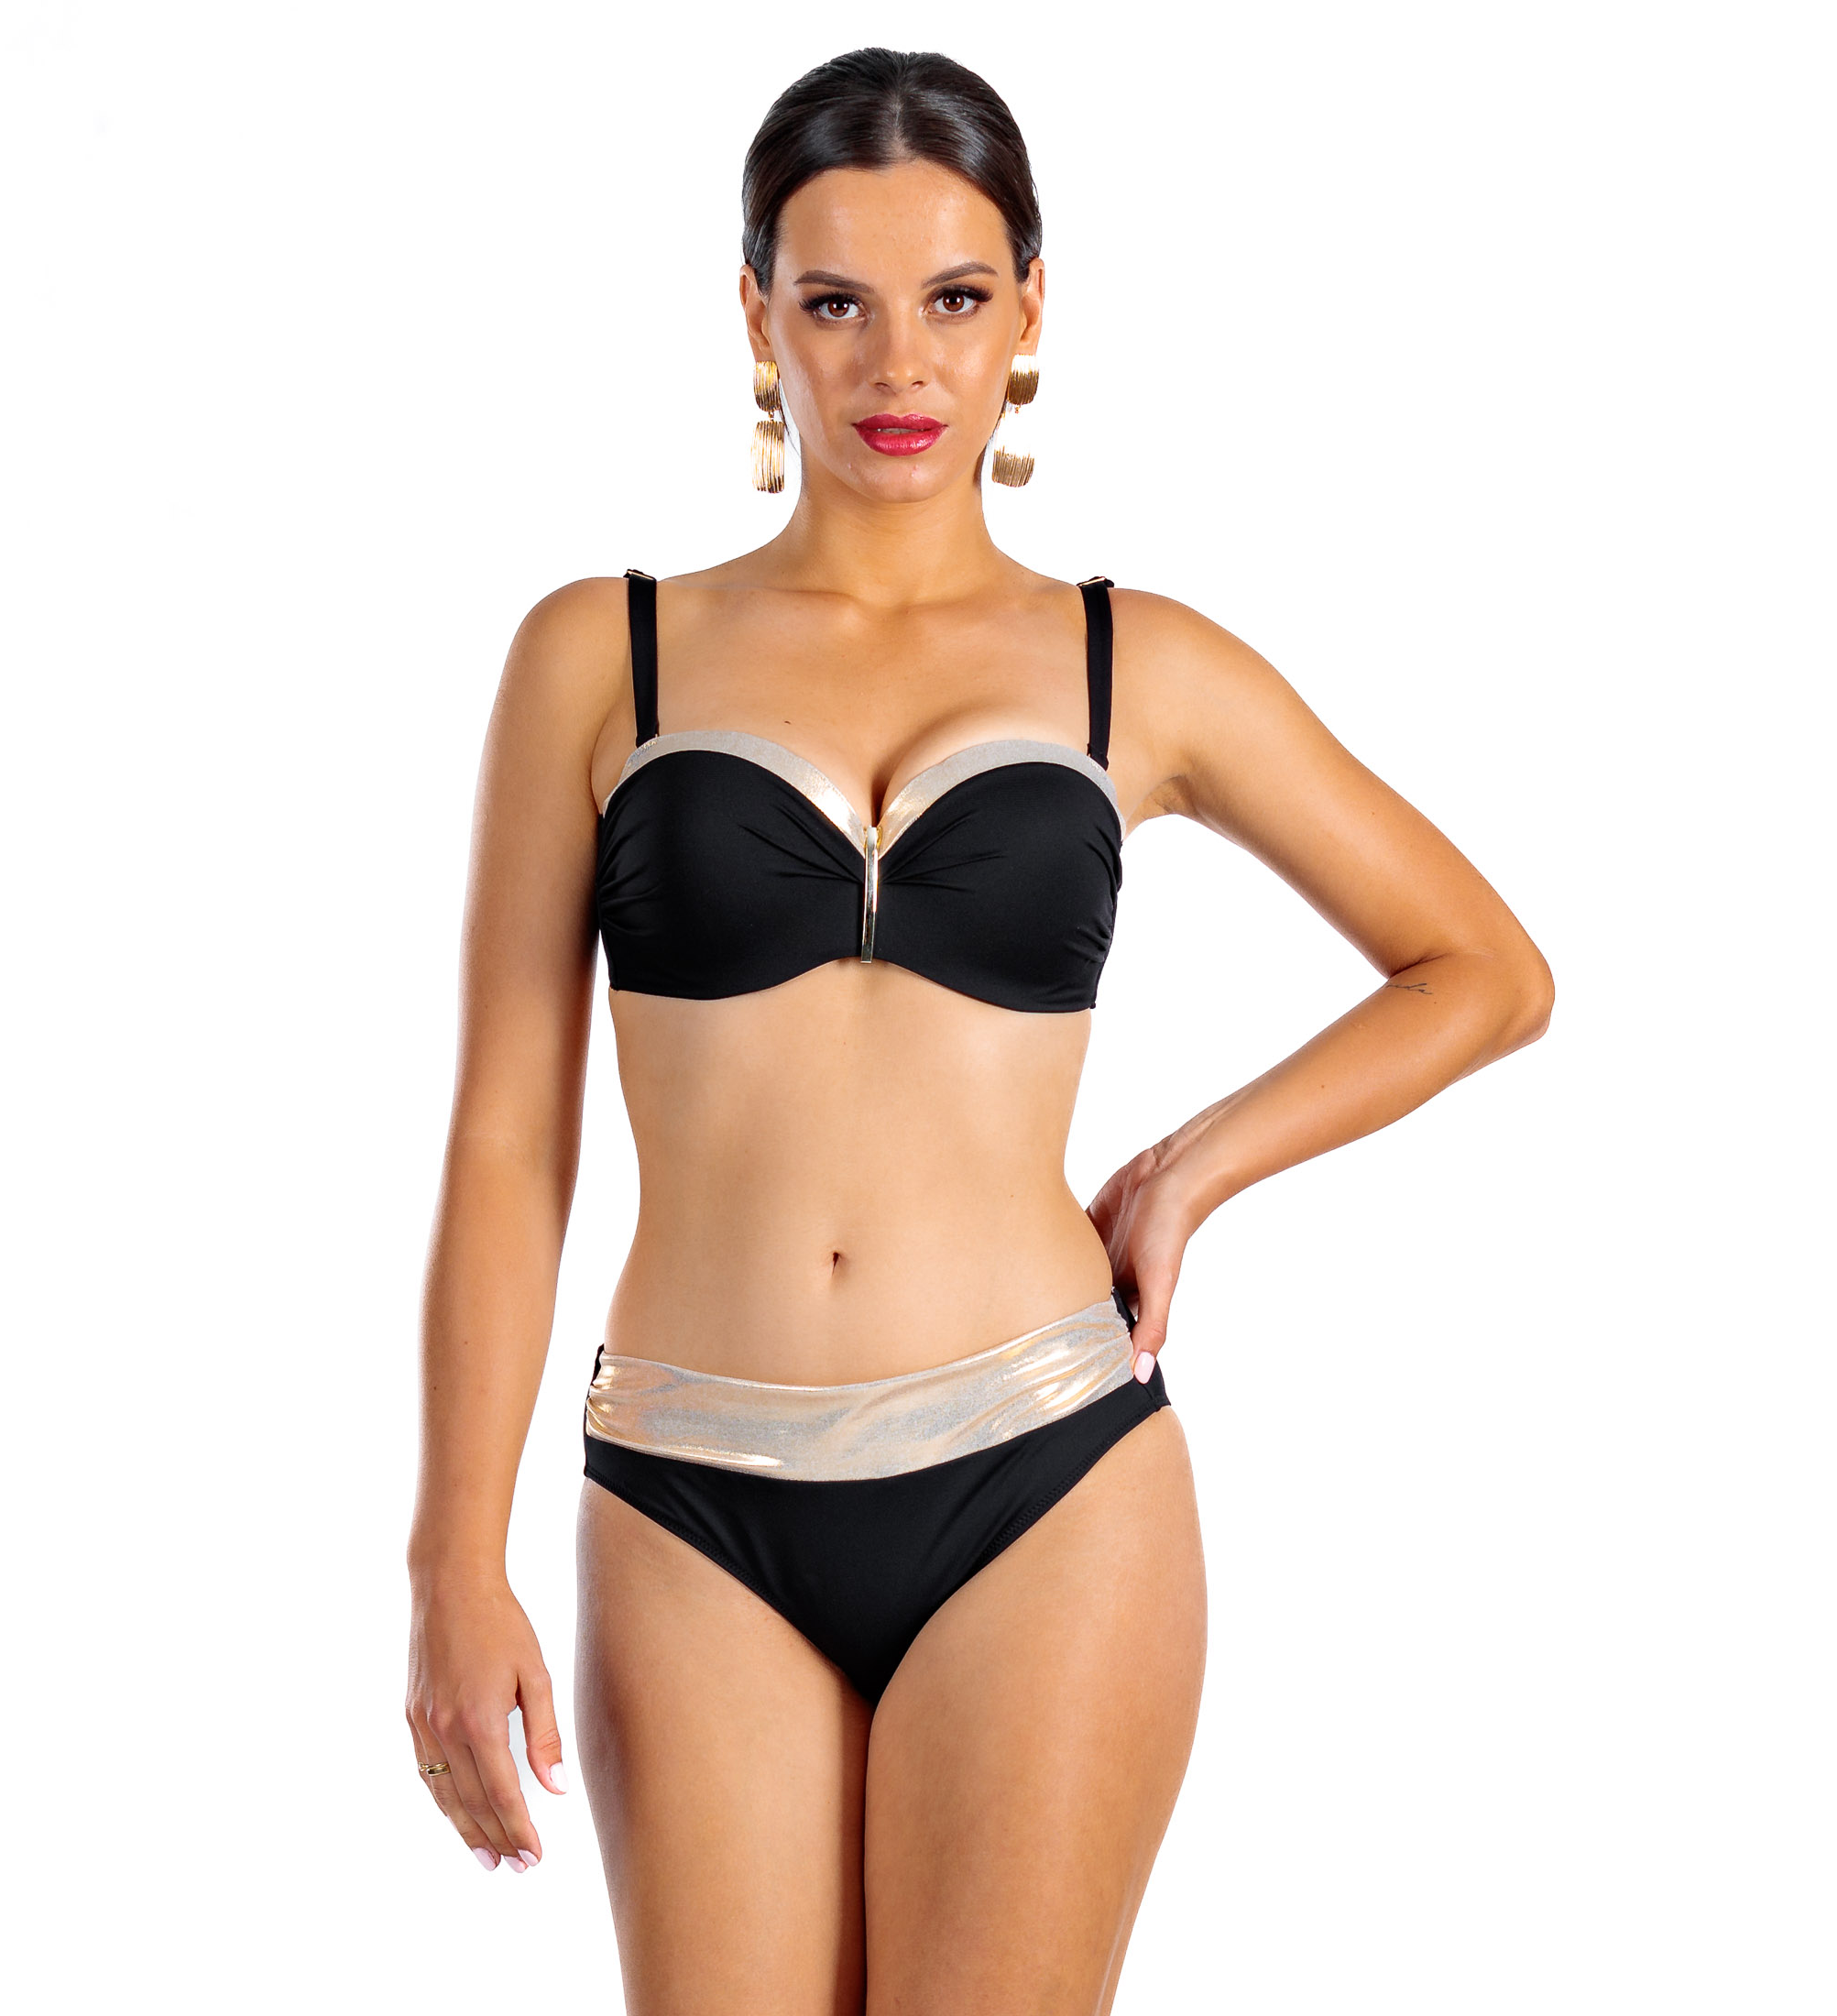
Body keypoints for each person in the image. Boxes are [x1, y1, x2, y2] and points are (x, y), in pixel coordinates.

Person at [405, 45, 1553, 2013]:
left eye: (950, 297)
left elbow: (1481, 969)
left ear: (1029, 310)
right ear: (753, 315)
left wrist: (1187, 1168)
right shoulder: (602, 653)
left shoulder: (1133, 663)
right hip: (688, 1482)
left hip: (1044, 1474)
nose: (895, 364)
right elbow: (509, 1137)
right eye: (833, 300)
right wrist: (450, 1553)